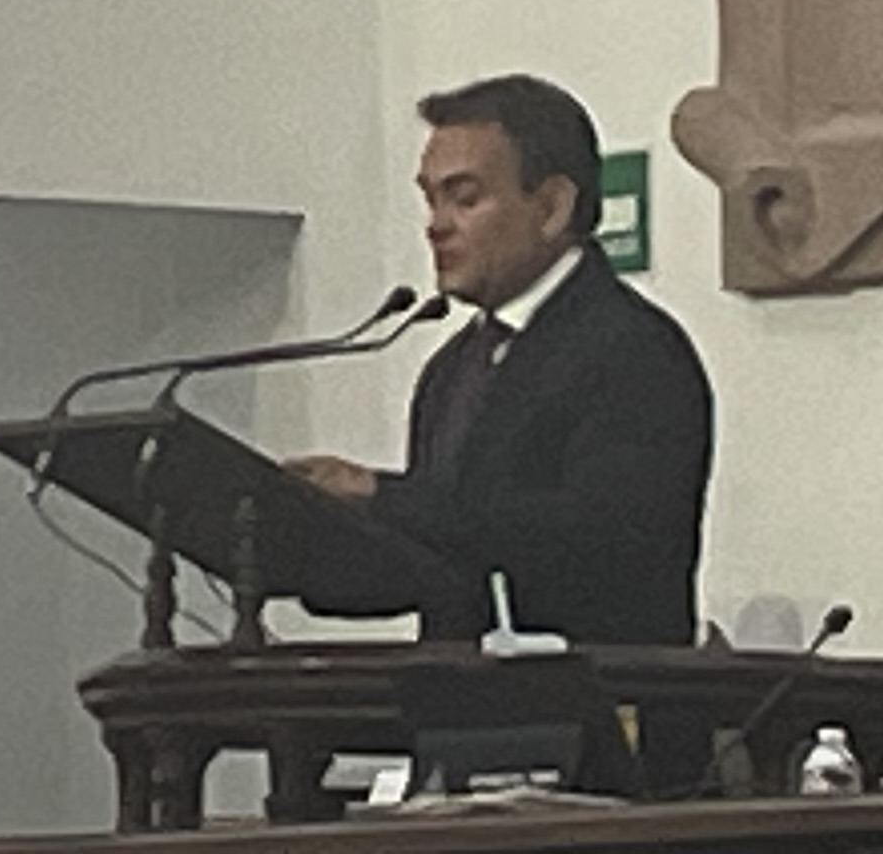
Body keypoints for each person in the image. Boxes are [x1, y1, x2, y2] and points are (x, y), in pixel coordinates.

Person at [286, 73, 714, 647]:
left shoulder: (634, 350)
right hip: (459, 694)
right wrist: (284, 543)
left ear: (552, 207)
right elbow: (435, 566)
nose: (436, 226)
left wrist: (380, 495)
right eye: (431, 200)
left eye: (464, 199)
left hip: (598, 691)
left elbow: (601, 537)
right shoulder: (452, 367)